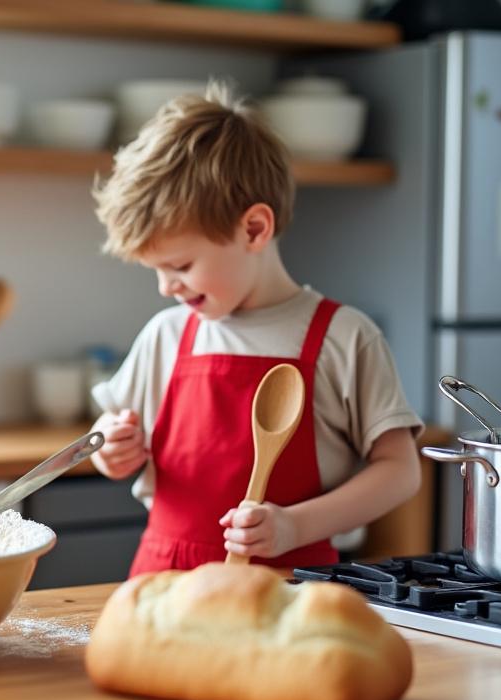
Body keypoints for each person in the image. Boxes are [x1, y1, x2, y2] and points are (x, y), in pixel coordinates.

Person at [87, 82, 423, 574]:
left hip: (290, 581)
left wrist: (294, 526)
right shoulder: (166, 335)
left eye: (179, 265)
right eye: (155, 270)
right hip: (165, 579)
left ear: (253, 230)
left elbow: (400, 471)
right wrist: (112, 450)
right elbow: (108, 430)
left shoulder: (344, 337)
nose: (166, 288)